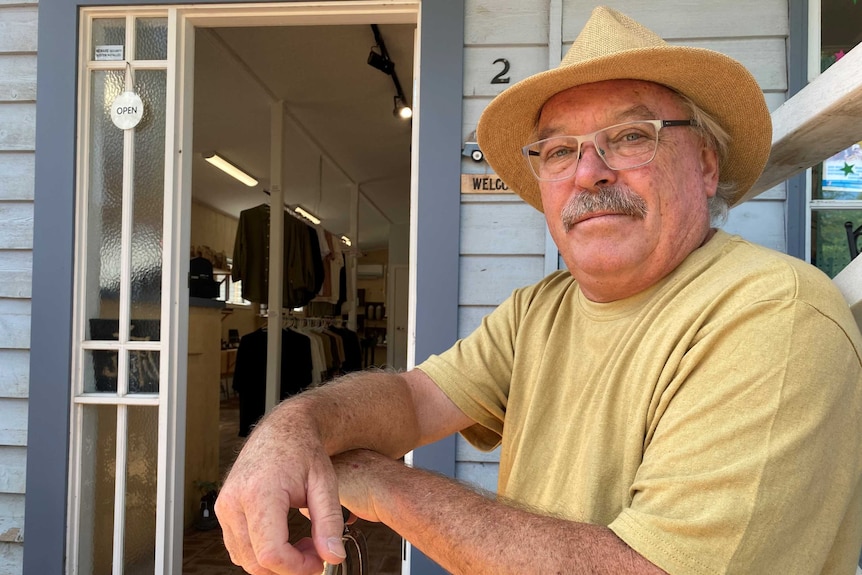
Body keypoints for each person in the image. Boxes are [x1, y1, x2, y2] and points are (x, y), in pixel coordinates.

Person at [215, 7, 862, 575]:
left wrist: (380, 481)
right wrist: (294, 426)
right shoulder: (541, 308)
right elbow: (414, 399)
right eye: (559, 150)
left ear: (706, 163)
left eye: (632, 136)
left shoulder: (773, 315)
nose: (589, 170)